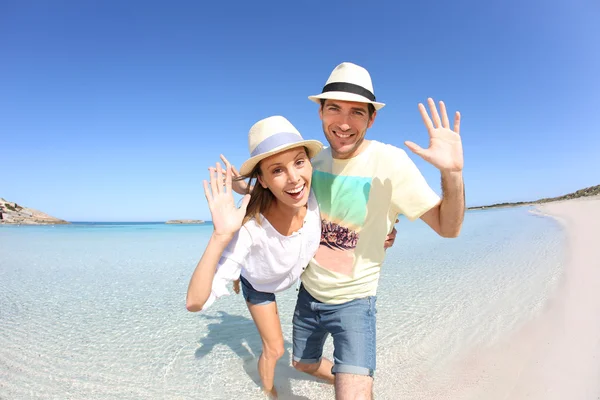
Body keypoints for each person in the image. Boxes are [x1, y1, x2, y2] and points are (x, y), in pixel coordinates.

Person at [287, 62, 466, 400]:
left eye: (357, 113)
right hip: (307, 295)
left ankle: (353, 382)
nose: (343, 122)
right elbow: (281, 214)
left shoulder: (391, 163)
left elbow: (449, 227)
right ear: (320, 112)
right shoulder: (310, 164)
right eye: (334, 109)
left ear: (371, 119)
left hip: (355, 301)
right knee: (302, 364)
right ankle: (346, 378)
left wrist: (453, 174)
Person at [186, 115, 324, 399]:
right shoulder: (251, 229)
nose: (295, 178)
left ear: (310, 163)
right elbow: (195, 302)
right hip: (260, 286)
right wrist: (220, 236)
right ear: (262, 179)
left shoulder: (313, 196)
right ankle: (269, 391)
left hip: (299, 277)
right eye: (277, 170)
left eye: (299, 162)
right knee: (275, 349)